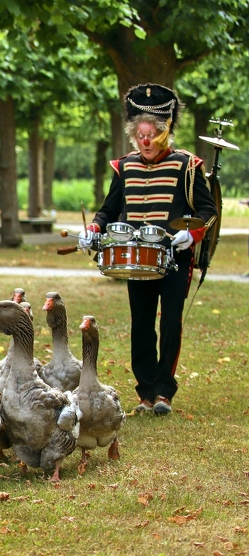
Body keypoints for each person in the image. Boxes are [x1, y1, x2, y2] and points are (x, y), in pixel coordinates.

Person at [80, 83, 217, 416]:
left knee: (170, 321)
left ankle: (163, 393)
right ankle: (145, 393)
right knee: (141, 325)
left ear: (164, 133)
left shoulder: (188, 166)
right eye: (139, 134)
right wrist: (92, 230)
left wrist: (193, 235)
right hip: (135, 258)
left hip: (175, 259)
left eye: (151, 133)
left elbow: (208, 211)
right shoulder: (124, 166)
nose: (145, 140)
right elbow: (108, 210)